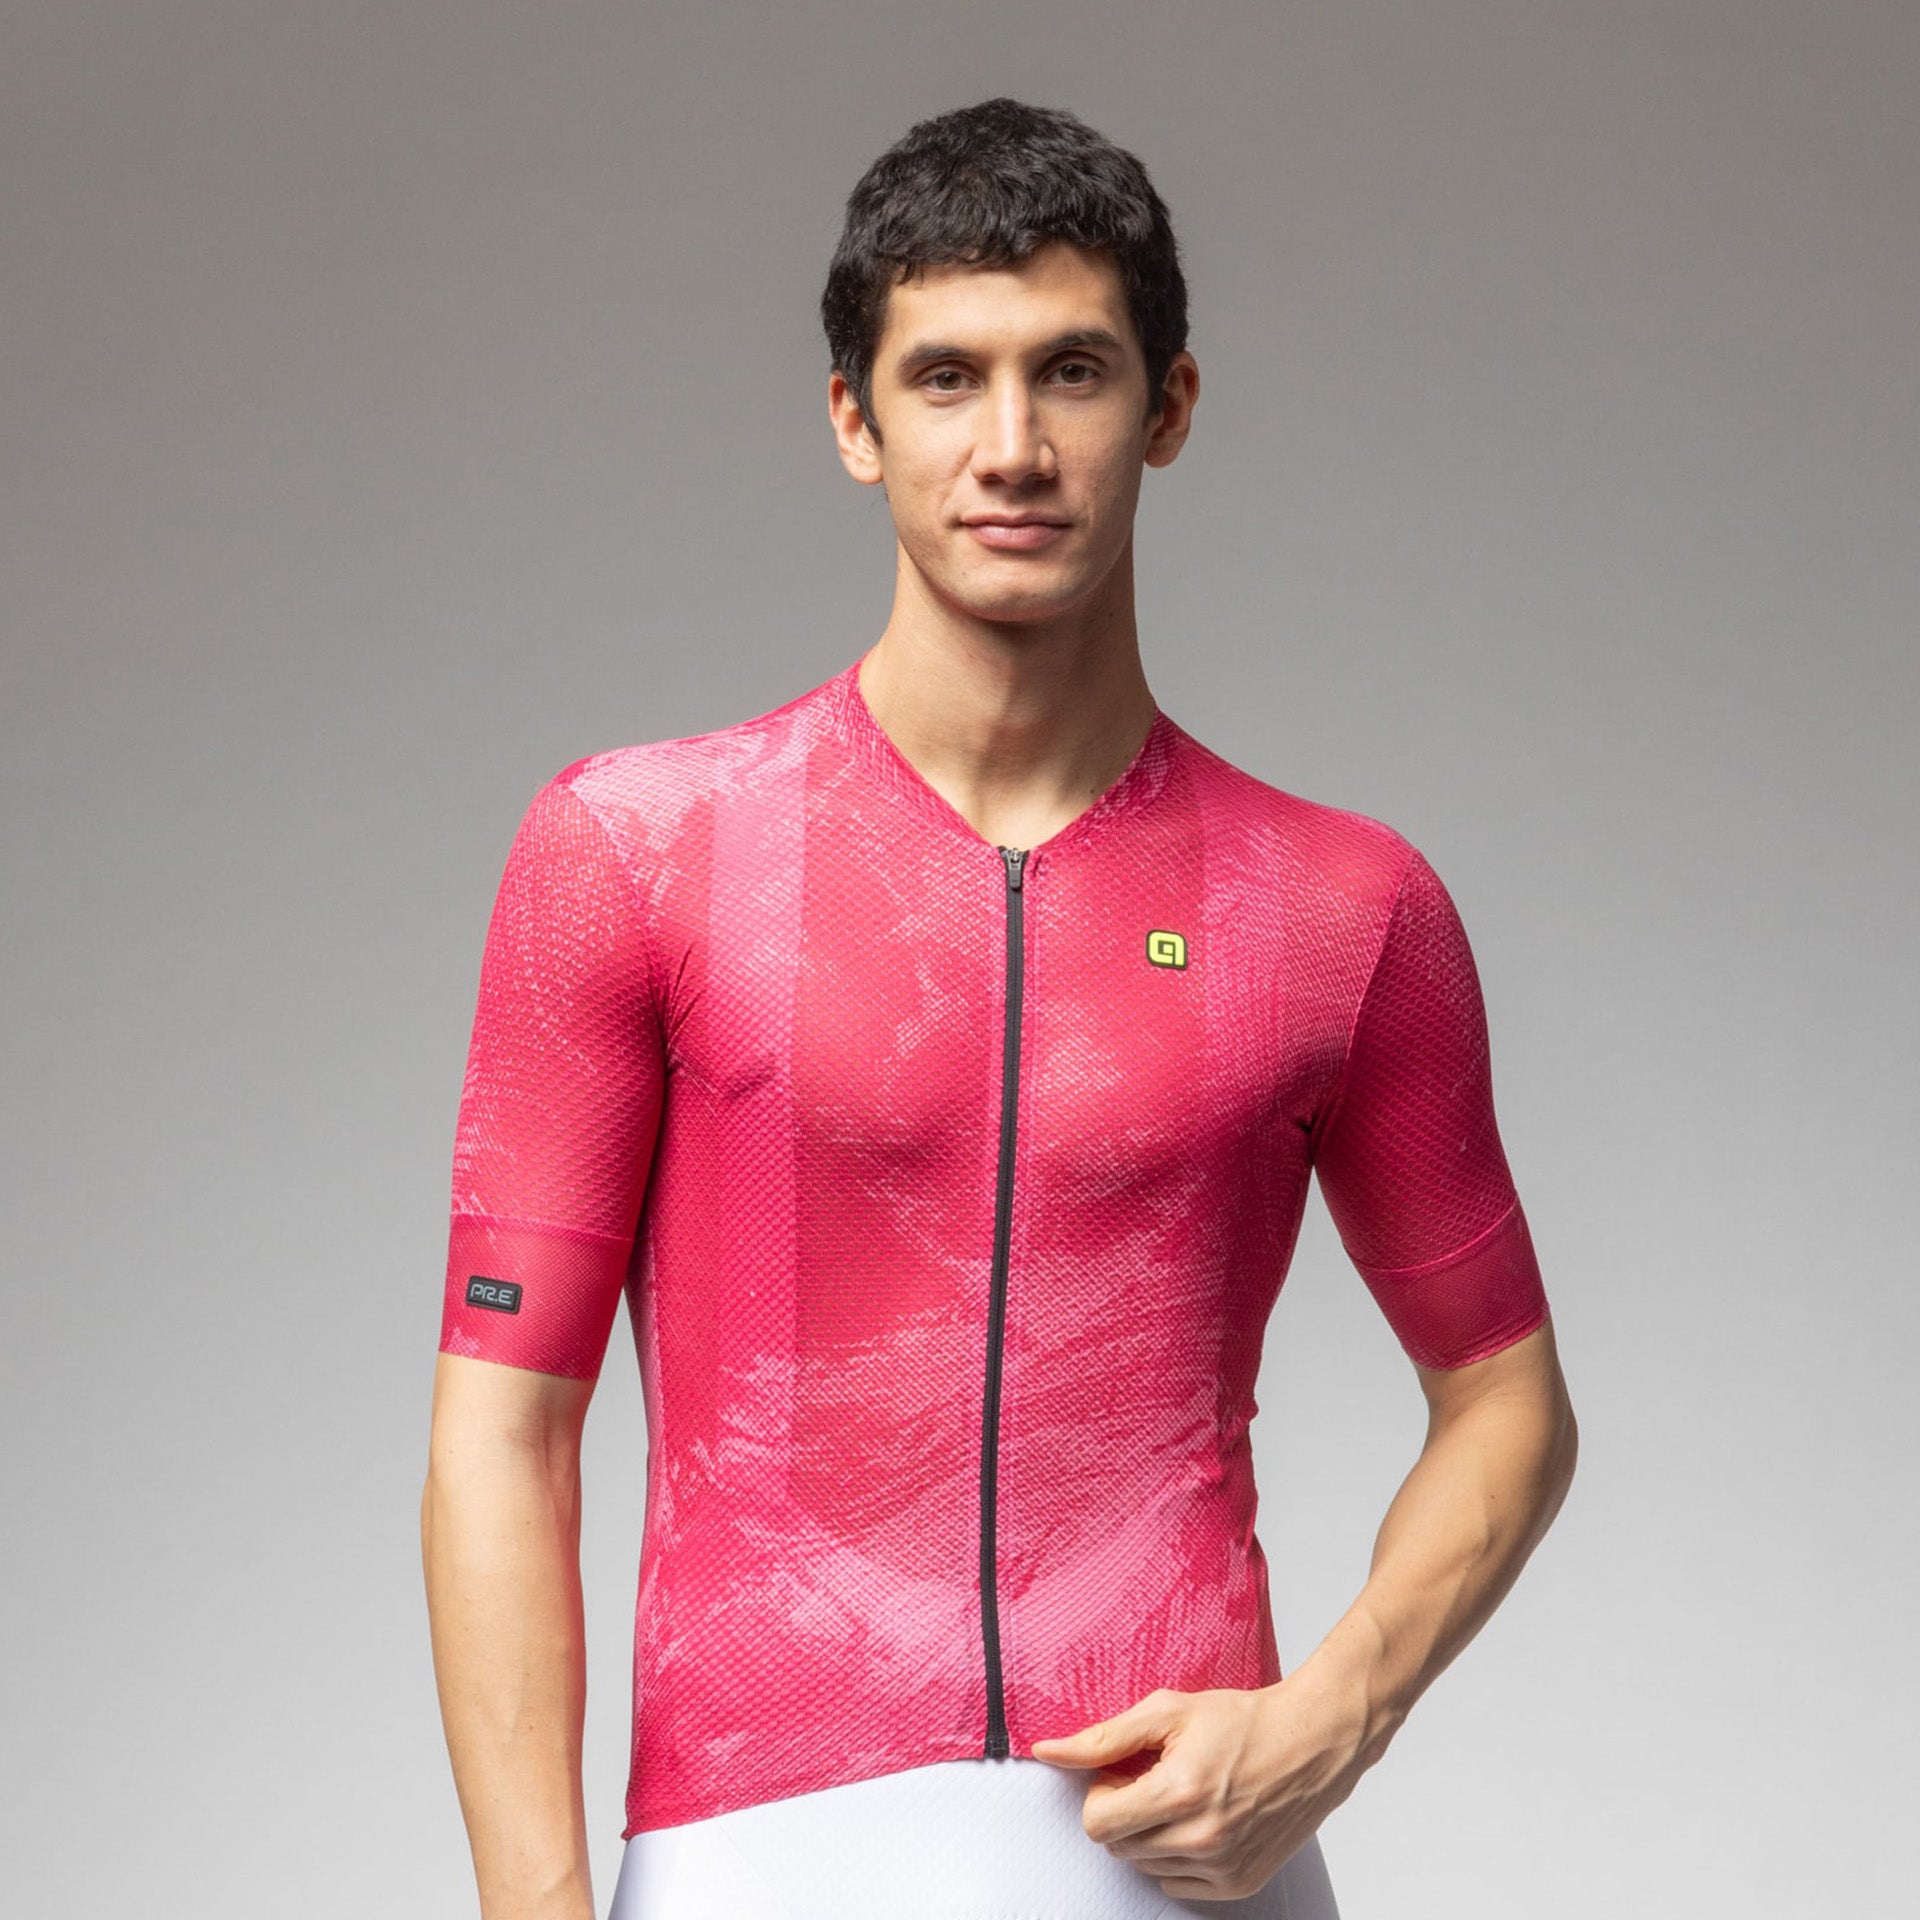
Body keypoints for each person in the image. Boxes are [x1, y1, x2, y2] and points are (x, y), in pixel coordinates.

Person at [421, 96, 1578, 1920]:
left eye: (1074, 372)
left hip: (1186, 1871)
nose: (1013, 448)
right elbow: (502, 1431)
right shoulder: (639, 855)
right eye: (947, 378)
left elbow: (1511, 1402)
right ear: (854, 422)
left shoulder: (1339, 909)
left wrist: (1333, 1716)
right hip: (753, 1855)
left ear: (1169, 407)